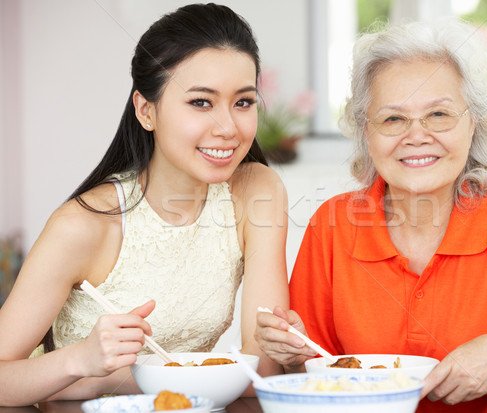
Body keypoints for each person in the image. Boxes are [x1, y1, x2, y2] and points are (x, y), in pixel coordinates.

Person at [255, 18, 487, 404]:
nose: (416, 135)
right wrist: (292, 357)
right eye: (393, 118)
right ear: (367, 134)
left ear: (473, 125)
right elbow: (311, 378)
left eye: (439, 114)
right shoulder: (331, 227)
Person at [0, 3, 288, 407]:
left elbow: (263, 368)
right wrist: (81, 362)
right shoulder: (83, 225)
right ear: (146, 110)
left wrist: (114, 378)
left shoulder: (258, 190)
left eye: (243, 102)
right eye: (201, 102)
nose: (228, 128)